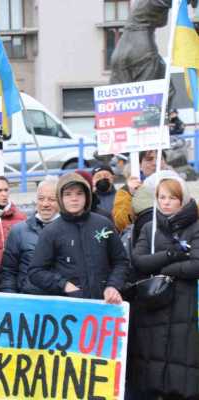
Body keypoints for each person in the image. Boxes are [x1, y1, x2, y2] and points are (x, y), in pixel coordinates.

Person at [130, 176, 199, 399]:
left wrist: (166, 270)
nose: (166, 202)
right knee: (154, 363)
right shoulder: (150, 227)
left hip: (185, 304)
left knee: (182, 361)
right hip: (154, 303)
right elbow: (139, 260)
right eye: (162, 197)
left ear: (183, 199)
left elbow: (196, 265)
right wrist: (170, 255)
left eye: (172, 197)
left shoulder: (196, 227)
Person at [29, 172, 130, 301]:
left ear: (87, 196)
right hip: (71, 307)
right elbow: (36, 271)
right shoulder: (51, 231)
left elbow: (121, 261)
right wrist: (63, 285)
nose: (74, 198)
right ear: (60, 198)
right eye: (68, 194)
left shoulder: (103, 223)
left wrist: (113, 286)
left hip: (105, 303)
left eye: (79, 193)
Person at [0, 176, 59, 294]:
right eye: (41, 199)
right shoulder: (18, 231)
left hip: (60, 304)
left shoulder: (70, 231)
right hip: (27, 302)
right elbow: (8, 272)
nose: (45, 204)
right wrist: (10, 300)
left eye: (51, 199)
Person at [113, 150, 171, 232]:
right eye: (149, 159)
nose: (155, 163)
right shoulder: (125, 191)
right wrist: (132, 195)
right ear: (139, 165)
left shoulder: (176, 185)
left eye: (160, 159)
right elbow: (121, 224)